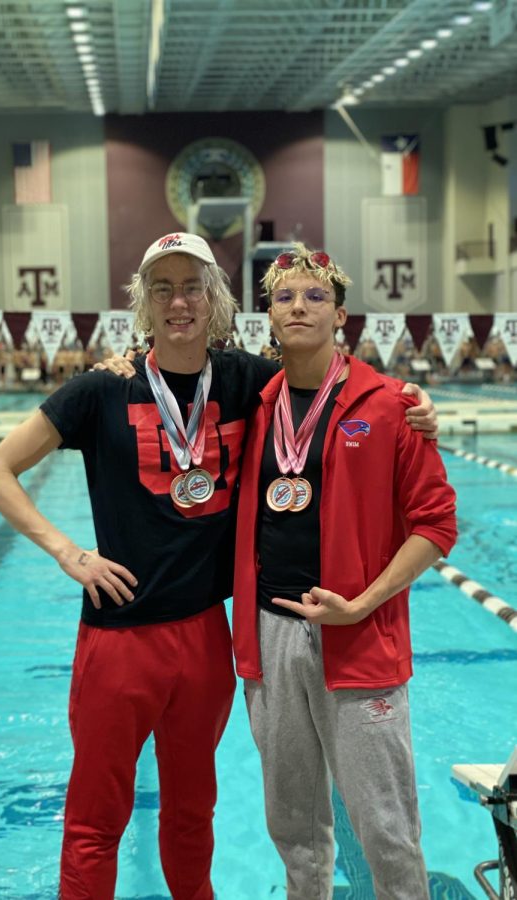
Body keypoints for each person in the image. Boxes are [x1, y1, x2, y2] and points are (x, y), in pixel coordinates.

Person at [0, 232, 438, 900]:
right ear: (144, 302)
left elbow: (329, 385)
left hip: (204, 636)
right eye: (161, 288)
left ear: (214, 298)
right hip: (117, 638)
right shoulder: (99, 389)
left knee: (192, 814)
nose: (178, 301)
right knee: (94, 821)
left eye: (191, 285)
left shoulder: (249, 380)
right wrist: (67, 552)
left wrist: (413, 404)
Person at [231, 243, 457, 899]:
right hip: (269, 638)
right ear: (267, 316)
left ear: (341, 316)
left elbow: (436, 523)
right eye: (283, 297)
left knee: (385, 829)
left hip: (358, 639)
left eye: (314, 296)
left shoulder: (389, 404)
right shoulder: (252, 403)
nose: (298, 307)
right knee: (293, 829)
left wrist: (362, 602)